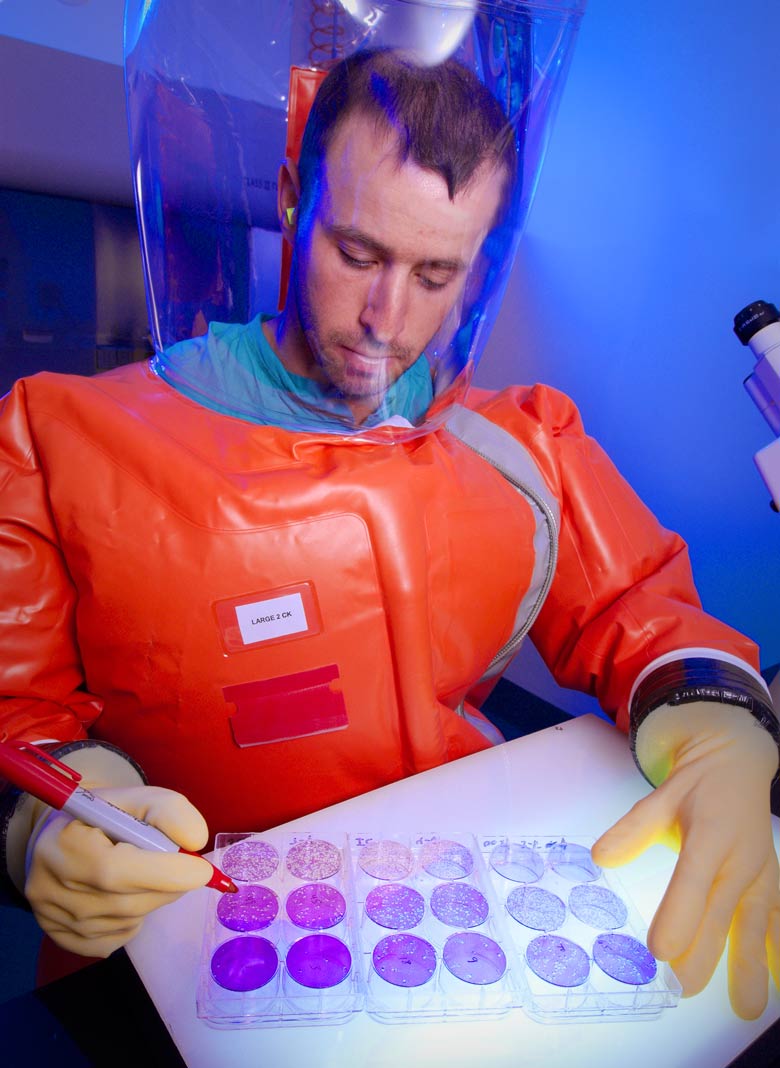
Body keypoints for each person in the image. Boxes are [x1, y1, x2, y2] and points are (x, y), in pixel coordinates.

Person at [0, 49, 778, 1021]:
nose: (384, 319)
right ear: (292, 199)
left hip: (448, 927)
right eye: (357, 254)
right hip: (179, 942)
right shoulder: (61, 436)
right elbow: (15, 715)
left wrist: (721, 734)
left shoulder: (523, 442)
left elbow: (639, 609)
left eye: (436, 272)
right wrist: (47, 819)